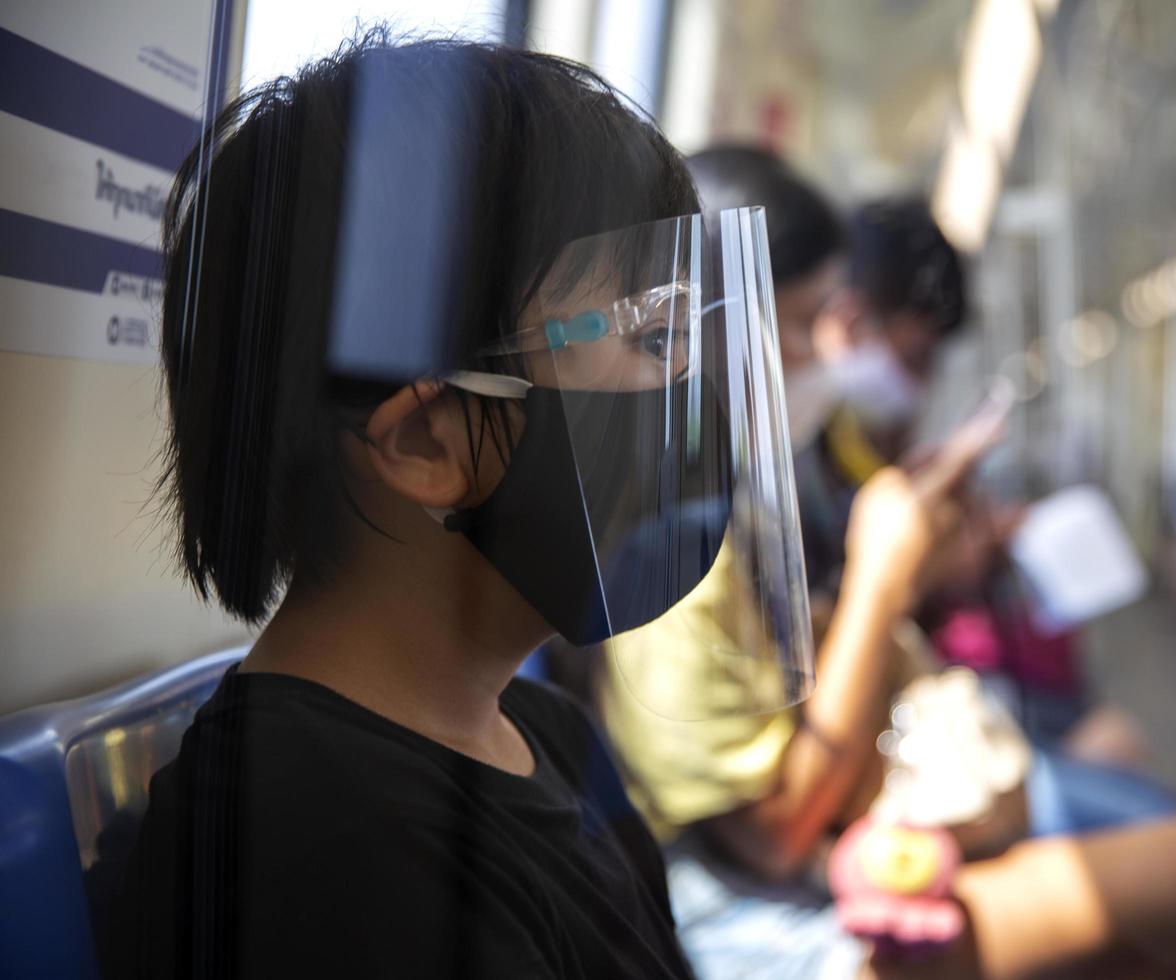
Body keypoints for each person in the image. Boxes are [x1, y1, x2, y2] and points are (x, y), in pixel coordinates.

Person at [98, 36, 816, 979]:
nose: (691, 391)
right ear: (426, 441)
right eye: (656, 337)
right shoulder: (323, 852)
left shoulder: (540, 726)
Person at [599, 146, 1176, 979]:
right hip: (771, 920)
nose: (823, 354)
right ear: (710, 328)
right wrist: (881, 579)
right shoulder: (678, 549)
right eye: (805, 326)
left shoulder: (738, 501)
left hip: (837, 837)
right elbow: (771, 839)